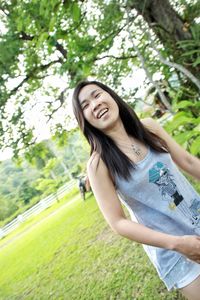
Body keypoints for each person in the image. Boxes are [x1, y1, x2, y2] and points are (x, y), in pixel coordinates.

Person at [72, 80, 200, 300]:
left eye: (97, 95)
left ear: (111, 96)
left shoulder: (149, 127)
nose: (95, 104)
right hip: (174, 251)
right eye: (85, 105)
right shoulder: (98, 165)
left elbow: (188, 161)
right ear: (84, 120)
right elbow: (118, 223)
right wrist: (178, 244)